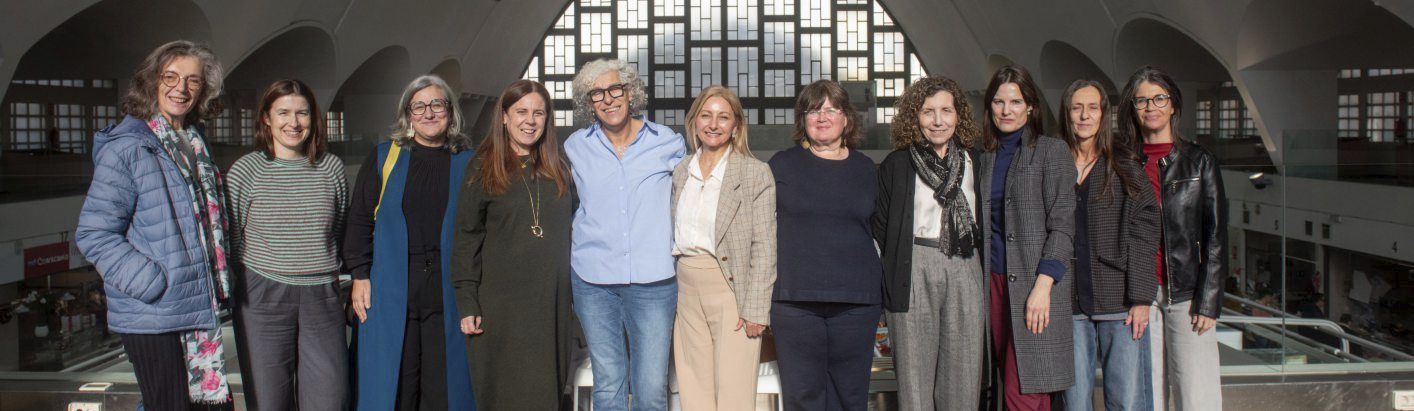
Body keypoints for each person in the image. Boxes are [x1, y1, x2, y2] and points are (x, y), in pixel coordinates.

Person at [76, 40, 235, 409]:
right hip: (153, 312)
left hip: (194, 305)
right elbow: (94, 234)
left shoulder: (192, 142)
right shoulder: (129, 146)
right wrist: (152, 282)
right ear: (151, 82)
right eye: (171, 77)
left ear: (203, 90)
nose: (181, 88)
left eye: (193, 81)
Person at [344, 75, 475, 410]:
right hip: (392, 287)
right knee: (397, 383)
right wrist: (359, 275)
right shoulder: (384, 158)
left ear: (450, 111)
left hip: (446, 290)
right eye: (419, 106)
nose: (429, 113)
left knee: (442, 387)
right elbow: (360, 219)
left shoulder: (468, 161)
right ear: (408, 113)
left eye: (437, 104)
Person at [563, 58, 686, 410]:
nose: (608, 99)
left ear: (630, 93)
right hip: (592, 280)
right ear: (589, 103)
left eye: (615, 89)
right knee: (608, 384)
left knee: (649, 389)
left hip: (654, 282)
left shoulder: (668, 143)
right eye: (596, 93)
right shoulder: (575, 147)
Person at [452, 79, 576, 410]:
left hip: (550, 305)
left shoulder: (560, 168)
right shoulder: (482, 167)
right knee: (501, 394)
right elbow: (466, 237)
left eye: (538, 112)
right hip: (500, 306)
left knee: (545, 395)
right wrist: (467, 302)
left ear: (548, 119)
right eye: (521, 111)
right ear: (504, 116)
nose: (530, 120)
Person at [226, 79, 349, 410]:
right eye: (283, 112)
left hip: (321, 294)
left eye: (302, 113)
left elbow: (336, 229)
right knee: (269, 400)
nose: (293, 123)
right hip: (262, 294)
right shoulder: (246, 171)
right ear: (266, 117)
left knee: (330, 398)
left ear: (313, 118)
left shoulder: (331, 168)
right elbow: (233, 238)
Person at [873, 75, 986, 411]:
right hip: (913, 264)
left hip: (965, 263)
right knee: (914, 375)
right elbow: (881, 223)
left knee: (964, 371)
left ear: (958, 115)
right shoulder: (897, 163)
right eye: (928, 112)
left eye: (946, 111)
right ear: (914, 117)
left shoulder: (975, 161)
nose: (938, 121)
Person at [1119, 66, 1228, 411]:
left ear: (1173, 105)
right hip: (1140, 295)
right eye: (1142, 101)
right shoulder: (1123, 162)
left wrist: (1209, 299)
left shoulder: (1199, 160)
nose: (1151, 106)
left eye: (1159, 98)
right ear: (1133, 110)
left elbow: (1216, 234)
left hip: (1187, 295)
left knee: (1196, 395)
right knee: (1146, 395)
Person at [769, 79, 882, 410]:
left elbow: (882, 230)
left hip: (856, 304)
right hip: (795, 302)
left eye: (831, 109)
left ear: (847, 118)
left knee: (850, 396)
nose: (822, 117)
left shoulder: (866, 169)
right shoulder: (781, 165)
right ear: (802, 119)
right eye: (813, 110)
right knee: (803, 397)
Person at [1056, 79, 1161, 411]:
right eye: (1077, 107)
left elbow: (1145, 233)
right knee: (1074, 404)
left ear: (1104, 114)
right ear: (1066, 113)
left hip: (1120, 304)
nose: (1084, 116)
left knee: (1127, 401)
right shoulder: (1053, 164)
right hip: (1069, 304)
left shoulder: (1124, 164)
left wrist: (1142, 298)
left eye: (1092, 108)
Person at [976, 65, 1077, 411]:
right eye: (999, 102)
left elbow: (1063, 226)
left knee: (1026, 393)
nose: (1006, 110)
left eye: (1015, 102)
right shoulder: (983, 157)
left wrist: (1043, 285)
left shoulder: (1052, 151)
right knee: (1000, 386)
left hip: (1036, 287)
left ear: (1031, 106)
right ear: (989, 107)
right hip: (992, 284)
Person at [670, 85, 777, 410]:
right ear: (694, 121)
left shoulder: (755, 173)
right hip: (686, 290)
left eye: (723, 117)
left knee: (733, 391)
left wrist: (757, 309)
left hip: (732, 290)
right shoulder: (680, 172)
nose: (713, 124)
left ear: (736, 126)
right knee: (693, 388)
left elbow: (765, 245)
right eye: (706, 115)